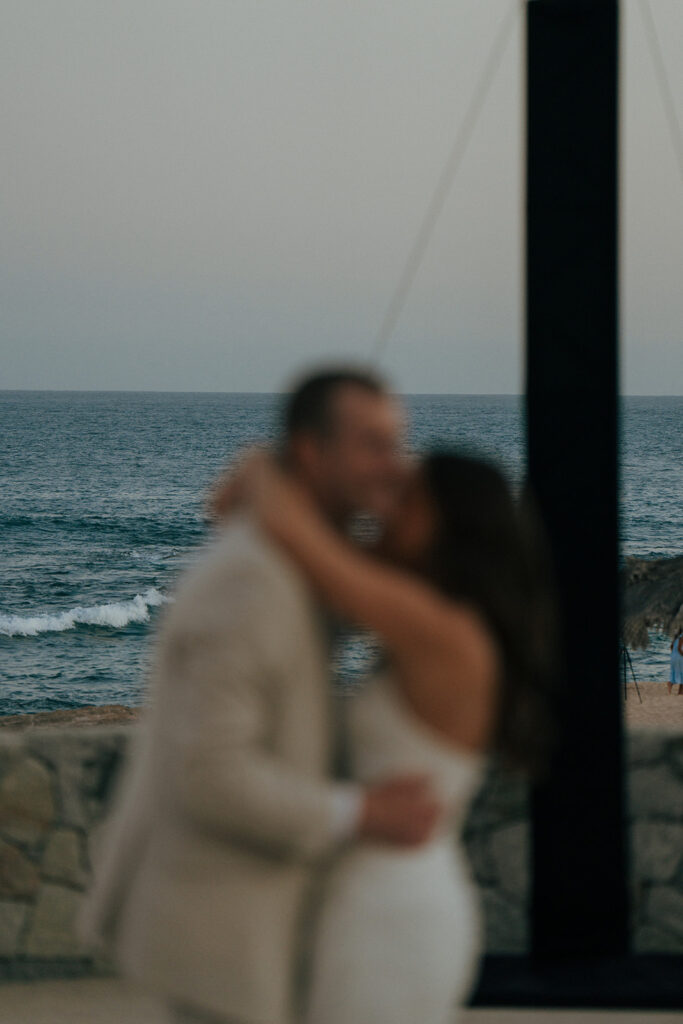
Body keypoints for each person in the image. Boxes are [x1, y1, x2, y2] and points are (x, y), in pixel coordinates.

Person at [78, 368, 444, 1024]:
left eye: (398, 443)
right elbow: (208, 775)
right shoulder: (250, 581)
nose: (395, 465)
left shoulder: (298, 560)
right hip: (221, 935)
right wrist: (358, 814)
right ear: (310, 450)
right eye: (373, 444)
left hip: (263, 925)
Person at [216, 448, 555, 1024]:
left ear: (451, 523)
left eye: (410, 498)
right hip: (366, 896)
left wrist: (266, 472)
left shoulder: (445, 633)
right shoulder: (437, 618)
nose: (391, 509)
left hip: (394, 914)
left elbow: (313, 553)